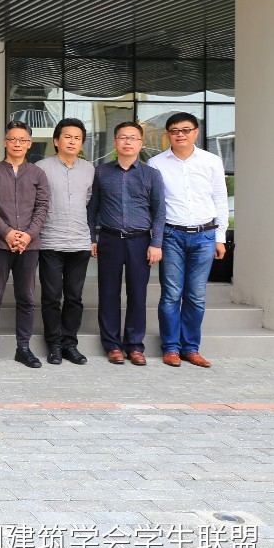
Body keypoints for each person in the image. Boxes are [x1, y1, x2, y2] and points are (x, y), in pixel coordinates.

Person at [147, 112, 228, 368]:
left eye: (185, 130)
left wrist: (220, 237)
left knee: (196, 296)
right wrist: (156, 240)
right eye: (174, 131)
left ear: (196, 132)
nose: (180, 134)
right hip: (172, 235)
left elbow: (220, 200)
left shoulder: (211, 161)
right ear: (167, 135)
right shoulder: (156, 163)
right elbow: (154, 206)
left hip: (205, 235)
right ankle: (171, 348)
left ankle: (191, 348)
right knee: (171, 294)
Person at [88, 120, 166, 366]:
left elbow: (159, 212)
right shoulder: (101, 172)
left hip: (140, 241)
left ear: (141, 143)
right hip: (110, 239)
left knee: (137, 294)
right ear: (115, 142)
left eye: (133, 138)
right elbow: (92, 209)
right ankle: (112, 345)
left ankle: (134, 345)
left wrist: (156, 243)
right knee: (108, 293)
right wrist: (92, 238)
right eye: (123, 137)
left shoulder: (152, 174)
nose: (128, 142)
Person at [0, 120, 50, 369]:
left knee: (27, 298)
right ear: (5, 142)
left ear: (29, 144)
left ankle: (23, 349)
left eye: (22, 140)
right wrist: (7, 233)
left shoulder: (38, 174)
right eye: (12, 139)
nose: (17, 143)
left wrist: (28, 235)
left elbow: (42, 207)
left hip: (29, 246)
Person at [34, 118, 95, 366]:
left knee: (74, 297)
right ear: (56, 141)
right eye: (67, 137)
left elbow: (88, 201)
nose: (72, 141)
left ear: (82, 143)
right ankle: (54, 344)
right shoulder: (41, 167)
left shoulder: (89, 169)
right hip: (50, 242)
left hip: (79, 243)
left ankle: (70, 343)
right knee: (51, 297)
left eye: (77, 138)